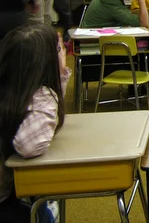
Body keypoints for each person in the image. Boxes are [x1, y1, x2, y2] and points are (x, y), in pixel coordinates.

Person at [0, 24, 71, 221]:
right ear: (45, 64)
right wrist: (50, 94)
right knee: (44, 204)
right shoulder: (40, 96)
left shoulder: (13, 88)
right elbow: (28, 145)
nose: (64, 53)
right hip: (5, 205)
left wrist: (59, 79)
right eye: (59, 49)